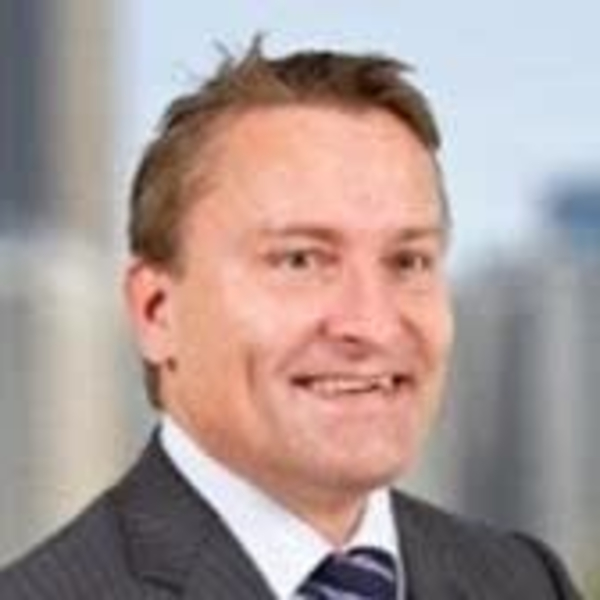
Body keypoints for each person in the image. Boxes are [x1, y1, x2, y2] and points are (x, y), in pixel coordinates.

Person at [0, 39, 583, 599]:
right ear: (156, 311)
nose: (372, 324)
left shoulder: (525, 582)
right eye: (300, 260)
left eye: (408, 261)